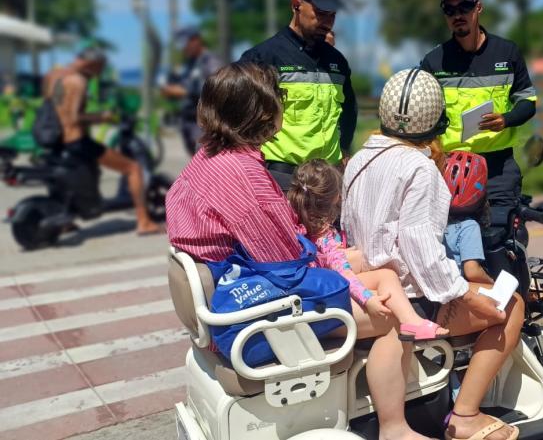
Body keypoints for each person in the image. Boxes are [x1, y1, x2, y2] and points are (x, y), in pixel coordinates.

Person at [166, 62, 432, 440]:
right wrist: (330, 259)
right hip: (258, 311)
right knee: (391, 316)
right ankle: (395, 428)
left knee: (373, 266)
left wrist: (336, 259)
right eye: (278, 100)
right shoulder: (245, 179)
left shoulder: (204, 161)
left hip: (228, 294)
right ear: (262, 113)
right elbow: (289, 271)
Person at [342, 68, 524, 440]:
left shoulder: (359, 160)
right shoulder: (420, 168)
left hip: (369, 289)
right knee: (514, 305)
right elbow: (420, 247)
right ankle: (466, 415)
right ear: (436, 122)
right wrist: (464, 293)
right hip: (414, 299)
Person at [288, 159, 451, 341]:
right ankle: (411, 321)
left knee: (386, 274)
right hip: (323, 291)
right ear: (336, 197)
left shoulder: (296, 222)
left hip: (313, 284)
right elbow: (343, 273)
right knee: (386, 279)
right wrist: (368, 299)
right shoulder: (324, 236)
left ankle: (411, 321)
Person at [420, 0, 537, 209]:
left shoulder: (507, 52)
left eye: (464, 7)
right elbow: (422, 113)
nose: (457, 15)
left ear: (479, 7)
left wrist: (506, 120)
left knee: (499, 237)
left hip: (499, 167)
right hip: (451, 166)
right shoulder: (433, 61)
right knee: (452, 240)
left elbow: (527, 102)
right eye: (449, 10)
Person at [239, 0, 357, 188]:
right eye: (321, 13)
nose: (328, 22)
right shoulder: (262, 58)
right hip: (281, 181)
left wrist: (345, 150)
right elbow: (238, 120)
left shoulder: (337, 62)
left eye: (333, 15)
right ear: (296, 5)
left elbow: (349, 112)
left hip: (328, 181)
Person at [43, 47, 162, 235]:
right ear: (93, 63)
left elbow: (54, 106)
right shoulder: (79, 81)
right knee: (132, 168)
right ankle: (144, 221)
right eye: (101, 67)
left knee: (84, 176)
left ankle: (66, 220)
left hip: (58, 140)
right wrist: (103, 117)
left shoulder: (54, 75)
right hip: (76, 140)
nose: (100, 72)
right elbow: (74, 117)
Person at [161, 26, 222, 156]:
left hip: (205, 123)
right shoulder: (190, 63)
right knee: (195, 161)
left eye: (185, 44)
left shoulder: (211, 61)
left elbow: (216, 88)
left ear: (196, 40)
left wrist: (184, 92)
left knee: (206, 161)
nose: (183, 48)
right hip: (188, 120)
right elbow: (183, 84)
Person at [443, 151, 493, 284]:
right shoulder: (469, 226)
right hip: (455, 290)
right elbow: (472, 272)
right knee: (515, 300)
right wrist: (492, 283)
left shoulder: (434, 220)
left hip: (431, 288)